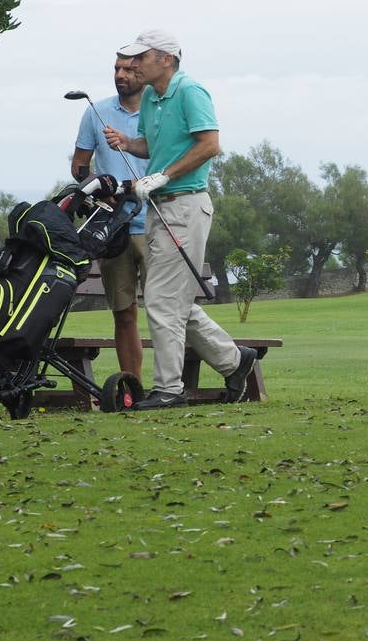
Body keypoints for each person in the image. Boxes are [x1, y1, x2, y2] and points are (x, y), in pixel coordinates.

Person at [102, 29, 258, 410]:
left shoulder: (190, 91)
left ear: (166, 59)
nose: (135, 64)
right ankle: (235, 362)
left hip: (186, 205)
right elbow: (153, 146)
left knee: (161, 300)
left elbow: (210, 144)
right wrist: (127, 143)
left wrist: (163, 176)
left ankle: (169, 389)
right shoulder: (152, 98)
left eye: (142, 57)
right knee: (175, 301)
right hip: (159, 208)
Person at [70, 54, 151, 378]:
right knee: (124, 313)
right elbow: (80, 167)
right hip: (113, 229)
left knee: (166, 311)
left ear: (145, 73)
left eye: (129, 69)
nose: (121, 75)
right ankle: (132, 387)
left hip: (155, 222)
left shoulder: (159, 112)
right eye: (117, 69)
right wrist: (92, 184)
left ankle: (169, 385)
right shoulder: (95, 112)